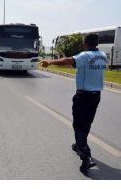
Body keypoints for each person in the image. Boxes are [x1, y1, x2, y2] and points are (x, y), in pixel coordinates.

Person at [40, 33, 107, 173]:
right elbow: (77, 66)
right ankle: (78, 145)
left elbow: (70, 60)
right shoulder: (103, 56)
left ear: (85, 43)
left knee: (78, 125)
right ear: (97, 43)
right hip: (96, 96)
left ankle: (86, 156)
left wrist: (50, 62)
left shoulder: (85, 55)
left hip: (83, 96)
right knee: (86, 123)